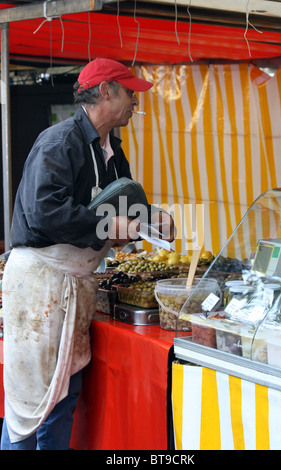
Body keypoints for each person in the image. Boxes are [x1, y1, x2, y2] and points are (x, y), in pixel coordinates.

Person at [0, 58, 175, 450]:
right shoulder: (59, 142)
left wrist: (153, 219)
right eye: (130, 92)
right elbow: (46, 212)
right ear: (107, 91)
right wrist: (112, 228)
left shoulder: (112, 150)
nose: (135, 101)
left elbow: (123, 207)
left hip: (74, 287)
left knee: (63, 398)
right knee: (31, 408)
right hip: (40, 287)